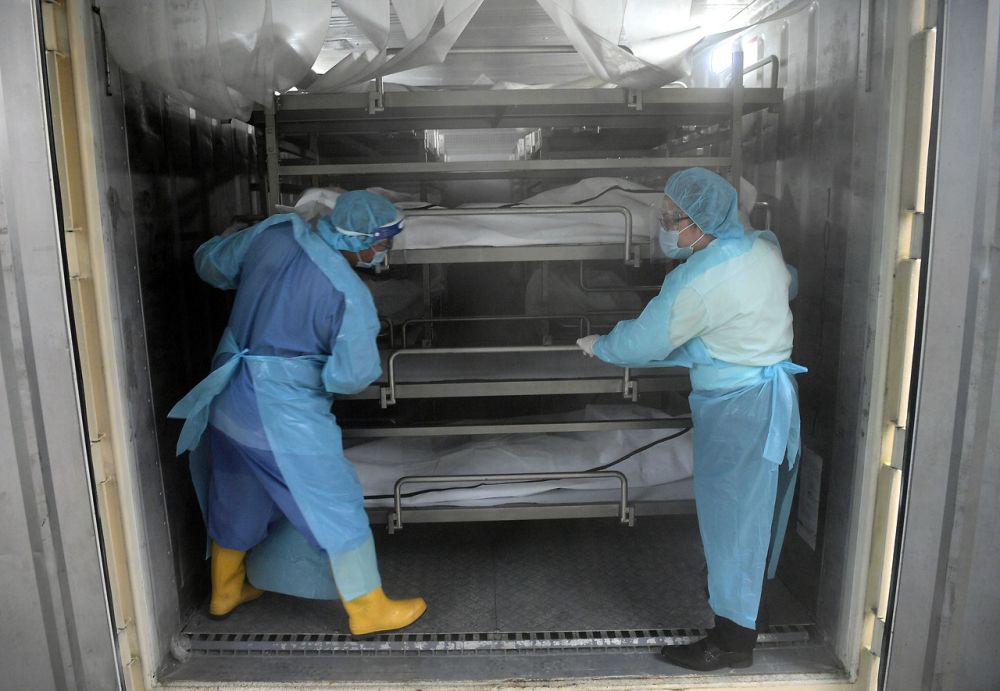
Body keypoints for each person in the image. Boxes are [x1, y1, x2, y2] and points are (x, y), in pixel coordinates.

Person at [168, 190, 426, 636]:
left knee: (238, 492)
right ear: (359, 240)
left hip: (228, 395)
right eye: (382, 243)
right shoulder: (349, 296)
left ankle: (226, 589)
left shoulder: (275, 231)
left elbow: (210, 264)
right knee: (336, 501)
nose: (383, 252)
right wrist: (311, 374)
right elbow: (352, 376)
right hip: (282, 415)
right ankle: (369, 608)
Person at [577, 168, 804, 671]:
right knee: (754, 516)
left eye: (672, 218)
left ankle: (731, 642)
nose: (666, 226)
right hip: (770, 398)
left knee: (730, 521)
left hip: (737, 410)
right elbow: (788, 286)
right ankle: (746, 610)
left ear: (699, 221)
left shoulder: (699, 279)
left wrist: (602, 346)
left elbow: (647, 340)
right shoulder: (762, 248)